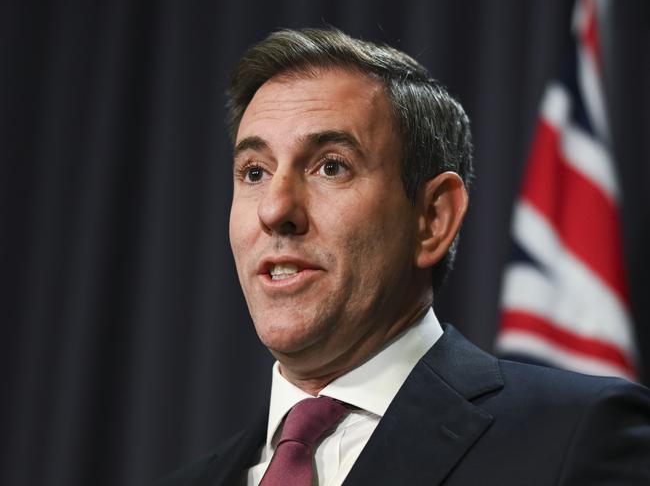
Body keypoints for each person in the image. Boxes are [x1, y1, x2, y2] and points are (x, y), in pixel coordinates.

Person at [156, 28, 650, 485]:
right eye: (255, 172)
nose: (275, 209)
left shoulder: (576, 435)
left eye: (331, 167)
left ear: (432, 218)